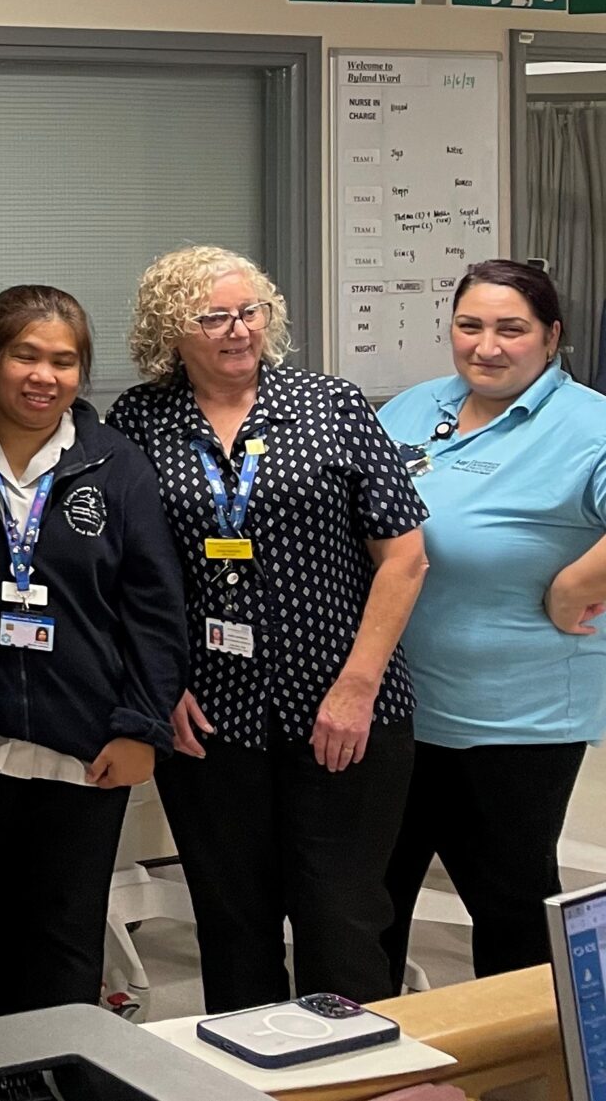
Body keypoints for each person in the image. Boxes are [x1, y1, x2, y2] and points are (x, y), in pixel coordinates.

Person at [107, 245, 428, 1011]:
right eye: (213, 316)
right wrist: (160, 686)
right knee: (233, 924)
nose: (238, 329)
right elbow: (124, 570)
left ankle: (353, 1069)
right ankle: (249, 1068)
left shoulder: (329, 404)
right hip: (208, 717)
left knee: (341, 920)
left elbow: (405, 557)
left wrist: (356, 687)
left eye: (250, 311)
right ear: (170, 330)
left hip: (343, 708)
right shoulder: (140, 419)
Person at [0, 287, 188, 1016]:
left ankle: (64, 1064)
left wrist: (141, 725)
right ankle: (17, 1064)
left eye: (63, 361)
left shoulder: (115, 465)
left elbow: (155, 608)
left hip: (88, 742)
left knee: (66, 933)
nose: (43, 376)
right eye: (25, 355)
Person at [377, 260, 606, 983]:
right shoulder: (413, 409)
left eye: (512, 329)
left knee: (511, 909)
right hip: (396, 708)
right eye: (469, 326)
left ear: (552, 336)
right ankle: (376, 1044)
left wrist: (577, 582)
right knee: (371, 900)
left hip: (516, 720)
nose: (487, 346)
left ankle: (524, 1048)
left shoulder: (588, 424)